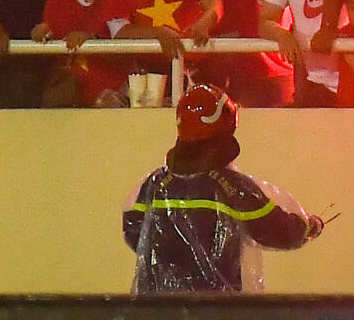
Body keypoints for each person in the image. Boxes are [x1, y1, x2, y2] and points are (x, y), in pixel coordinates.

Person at [123, 84, 323, 294]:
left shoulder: (156, 183)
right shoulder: (234, 187)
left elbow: (133, 230)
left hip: (157, 307)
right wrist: (308, 227)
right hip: (217, 308)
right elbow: (277, 231)